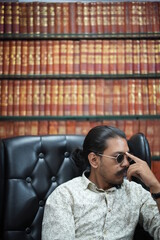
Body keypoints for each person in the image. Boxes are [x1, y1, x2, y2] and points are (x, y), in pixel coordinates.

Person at [42, 125, 160, 240]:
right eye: (119, 157)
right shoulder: (64, 196)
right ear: (94, 160)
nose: (126, 164)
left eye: (128, 157)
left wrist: (155, 186)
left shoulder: (136, 192)